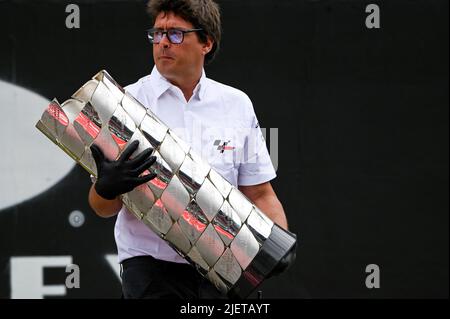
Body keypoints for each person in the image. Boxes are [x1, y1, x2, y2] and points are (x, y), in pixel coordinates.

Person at [88, 0, 291, 299]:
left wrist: (278, 241)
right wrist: (106, 188)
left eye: (175, 34)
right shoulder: (123, 102)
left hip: (228, 269)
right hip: (152, 273)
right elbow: (101, 207)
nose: (163, 43)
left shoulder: (237, 104)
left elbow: (260, 193)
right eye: (157, 34)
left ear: (206, 42)